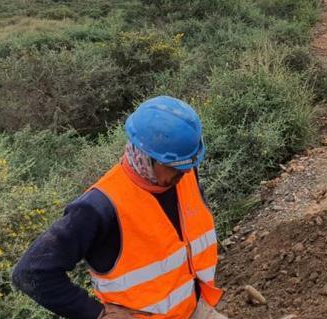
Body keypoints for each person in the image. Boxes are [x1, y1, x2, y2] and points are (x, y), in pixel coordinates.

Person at [12, 96, 229, 319]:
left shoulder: (183, 171)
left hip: (193, 309)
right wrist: (96, 313)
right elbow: (31, 272)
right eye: (175, 166)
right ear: (146, 158)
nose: (184, 172)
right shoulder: (99, 207)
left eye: (189, 164)